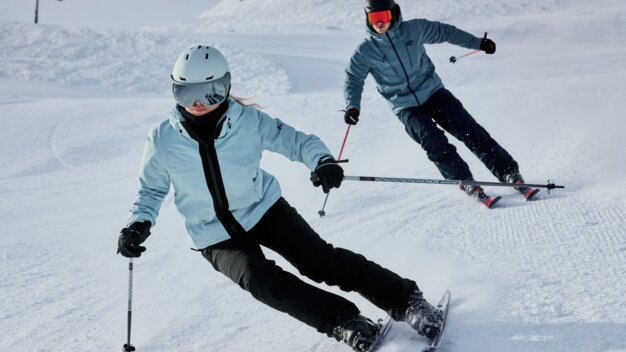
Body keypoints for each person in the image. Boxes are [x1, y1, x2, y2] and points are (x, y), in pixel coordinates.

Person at [117, 45, 443, 352]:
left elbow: (299, 142)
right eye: (186, 92)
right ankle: (346, 322)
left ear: (225, 87)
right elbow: (151, 190)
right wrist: (137, 224)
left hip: (264, 209)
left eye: (209, 91)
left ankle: (405, 300)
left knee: (320, 262)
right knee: (264, 282)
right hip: (214, 235)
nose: (198, 103)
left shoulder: (247, 122)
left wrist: (322, 161)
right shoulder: (162, 139)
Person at [343, 0, 539, 206]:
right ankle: (465, 181)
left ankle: (509, 173)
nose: (380, 23)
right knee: (433, 142)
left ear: (393, 14)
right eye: (374, 18)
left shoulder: (414, 29)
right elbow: (353, 78)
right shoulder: (365, 51)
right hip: (404, 105)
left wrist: (478, 43)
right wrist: (352, 105)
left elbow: (446, 32)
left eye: (384, 16)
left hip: (433, 91)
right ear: (367, 18)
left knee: (469, 130)